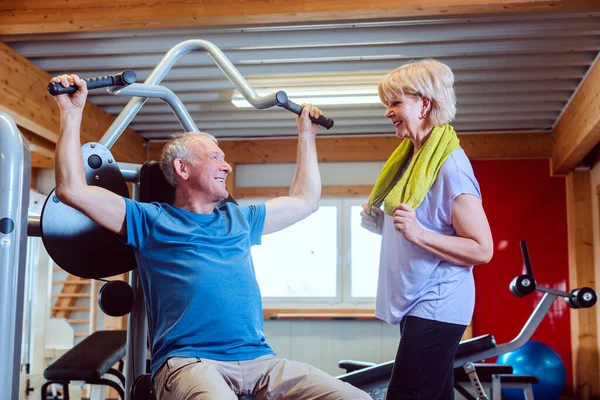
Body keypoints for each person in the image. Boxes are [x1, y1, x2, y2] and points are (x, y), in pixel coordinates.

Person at [51, 74, 371, 400]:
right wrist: (71, 112)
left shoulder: (241, 220)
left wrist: (306, 135)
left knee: (355, 398)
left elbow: (306, 201)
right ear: (182, 168)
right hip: (191, 363)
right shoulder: (149, 219)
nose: (227, 166)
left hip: (261, 361)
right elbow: (71, 189)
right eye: (214, 158)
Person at [360, 59, 494, 400]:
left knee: (406, 394)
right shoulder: (412, 159)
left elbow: (482, 249)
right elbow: (419, 230)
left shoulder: (451, 167)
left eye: (395, 103)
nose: (387, 112)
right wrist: (382, 226)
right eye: (386, 104)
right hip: (416, 298)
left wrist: (417, 233)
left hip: (438, 301)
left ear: (425, 104)